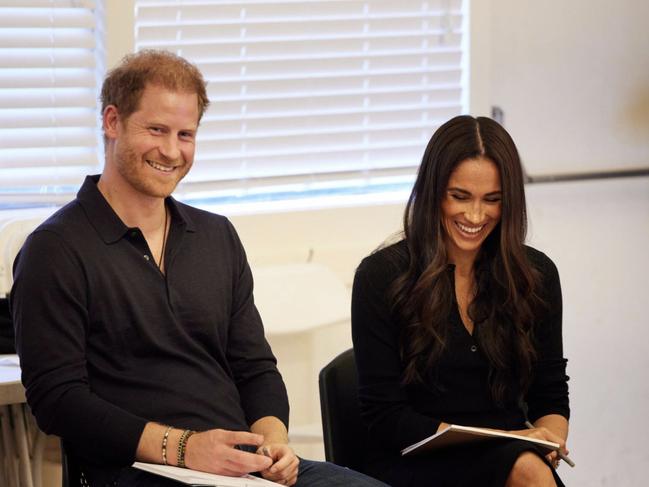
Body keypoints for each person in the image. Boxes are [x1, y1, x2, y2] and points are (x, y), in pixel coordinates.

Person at [11, 50, 387, 487]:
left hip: (239, 468)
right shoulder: (54, 249)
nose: (171, 151)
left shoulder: (215, 235)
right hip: (134, 471)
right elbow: (57, 400)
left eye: (185, 134)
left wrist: (272, 440)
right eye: (156, 129)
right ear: (112, 122)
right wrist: (186, 448)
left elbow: (255, 367)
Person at [351, 115, 570, 487]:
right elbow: (386, 418)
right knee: (527, 470)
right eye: (460, 196)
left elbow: (549, 393)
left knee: (531, 468)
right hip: (414, 459)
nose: (474, 215)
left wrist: (549, 437)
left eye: (492, 200)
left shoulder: (537, 274)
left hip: (512, 455)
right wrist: (508, 443)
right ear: (433, 192)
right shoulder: (380, 276)